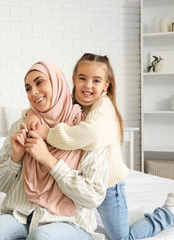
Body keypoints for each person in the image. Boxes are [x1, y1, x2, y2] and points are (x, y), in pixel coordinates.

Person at [24, 53, 174, 240]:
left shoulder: (103, 107)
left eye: (96, 80)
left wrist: (48, 133)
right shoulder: (73, 102)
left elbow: (92, 136)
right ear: (74, 80)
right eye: (82, 78)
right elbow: (48, 108)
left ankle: (167, 213)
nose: (88, 85)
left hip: (108, 185)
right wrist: (31, 113)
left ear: (106, 86)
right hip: (84, 181)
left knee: (121, 238)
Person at [0, 61, 109, 240]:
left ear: (57, 83)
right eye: (28, 88)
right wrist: (16, 158)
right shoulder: (21, 125)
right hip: (21, 214)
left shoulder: (85, 130)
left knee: (40, 237)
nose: (34, 92)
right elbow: (0, 184)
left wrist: (48, 160)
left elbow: (93, 197)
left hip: (69, 221)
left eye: (40, 83)